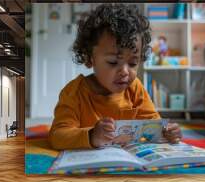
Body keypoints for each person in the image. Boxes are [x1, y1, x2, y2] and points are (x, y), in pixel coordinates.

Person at [49, 3, 182, 150]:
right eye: (113, 62)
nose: (125, 71)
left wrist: (167, 131)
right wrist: (91, 136)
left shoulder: (135, 88)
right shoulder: (74, 93)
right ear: (89, 58)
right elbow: (57, 136)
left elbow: (153, 124)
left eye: (132, 63)